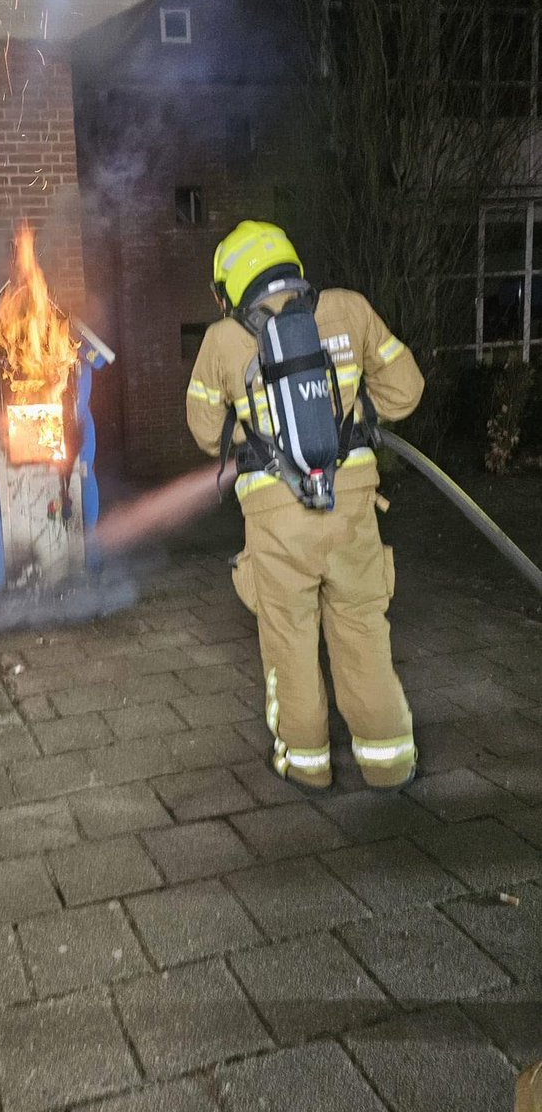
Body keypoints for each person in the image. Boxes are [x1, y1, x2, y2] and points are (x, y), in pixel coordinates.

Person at [187, 220, 425, 791]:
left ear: (230, 286)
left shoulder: (222, 339)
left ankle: (307, 766)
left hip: (274, 523)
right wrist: (357, 411)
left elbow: (203, 431)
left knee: (289, 644)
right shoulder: (349, 310)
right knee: (364, 632)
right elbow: (407, 391)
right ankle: (388, 762)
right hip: (352, 510)